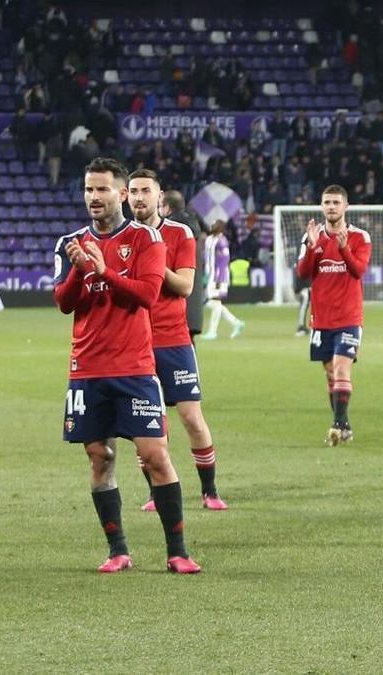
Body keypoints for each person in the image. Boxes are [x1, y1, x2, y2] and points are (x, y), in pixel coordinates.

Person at [52, 158, 200, 574]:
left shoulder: (146, 239)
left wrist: (105, 270)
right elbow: (64, 304)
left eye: (102, 189)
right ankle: (118, 549)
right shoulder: (71, 242)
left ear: (121, 192)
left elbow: (149, 295)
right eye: (88, 189)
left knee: (155, 455)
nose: (93, 197)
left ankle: (178, 550)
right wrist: (82, 271)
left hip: (134, 367)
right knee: (99, 457)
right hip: (87, 368)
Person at [127, 169, 227, 512]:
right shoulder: (120, 237)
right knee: (147, 425)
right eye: (133, 191)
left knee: (191, 417)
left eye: (146, 191)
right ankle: (157, 493)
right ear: (126, 197)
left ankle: (209, 491)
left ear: (160, 198)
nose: (139, 197)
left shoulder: (180, 234)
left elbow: (185, 286)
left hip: (173, 339)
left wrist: (155, 263)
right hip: (135, 343)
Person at [295, 184, 373, 446]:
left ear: (345, 206)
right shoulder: (311, 237)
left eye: (336, 202)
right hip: (322, 320)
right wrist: (312, 248)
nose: (331, 207)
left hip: (349, 318)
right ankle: (346, 424)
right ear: (321, 206)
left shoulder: (360, 237)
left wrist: (343, 249)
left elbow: (359, 270)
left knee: (341, 368)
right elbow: (303, 273)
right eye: (327, 202)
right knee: (330, 372)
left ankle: (337, 425)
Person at [159, 190, 206, 338]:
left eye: (160, 206)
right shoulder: (194, 228)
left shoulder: (172, 232)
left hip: (175, 310)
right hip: (193, 308)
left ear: (166, 208)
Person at [199, 221, 246, 340]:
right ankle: (236, 323)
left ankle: (212, 332)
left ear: (220, 228)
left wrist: (220, 277)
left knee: (214, 302)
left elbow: (225, 259)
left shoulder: (222, 241)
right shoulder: (209, 239)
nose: (211, 226)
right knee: (212, 303)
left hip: (218, 276)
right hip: (209, 275)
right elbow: (206, 256)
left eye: (214, 224)